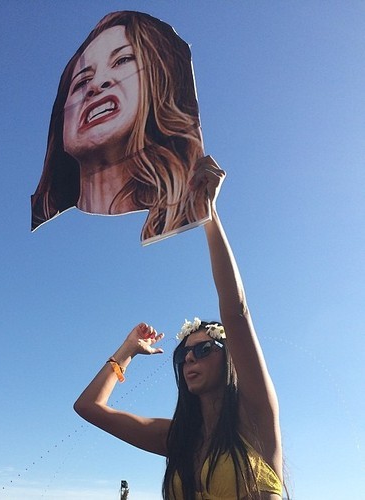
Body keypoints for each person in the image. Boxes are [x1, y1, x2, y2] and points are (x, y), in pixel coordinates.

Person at [74, 156, 286, 499]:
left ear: (228, 357)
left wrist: (208, 214)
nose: (190, 360)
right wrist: (127, 351)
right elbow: (89, 408)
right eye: (185, 354)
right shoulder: (177, 438)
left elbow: (236, 312)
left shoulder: (256, 421)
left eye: (203, 350)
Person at [31, 11, 209, 244]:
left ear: (156, 83)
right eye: (81, 82)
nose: (96, 84)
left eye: (122, 60)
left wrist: (208, 212)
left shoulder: (183, 221)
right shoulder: (40, 235)